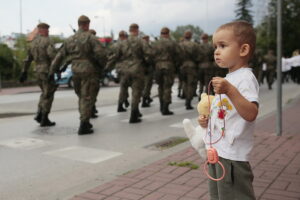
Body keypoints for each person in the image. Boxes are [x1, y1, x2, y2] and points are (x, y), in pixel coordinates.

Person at [198, 21, 259, 200]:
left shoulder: (245, 79)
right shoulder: (230, 77)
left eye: (223, 46)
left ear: (243, 50)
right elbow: (225, 114)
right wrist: (207, 122)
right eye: (215, 46)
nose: (216, 51)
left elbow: (251, 113)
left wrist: (230, 90)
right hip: (218, 152)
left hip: (232, 158)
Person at [50, 15, 107, 135]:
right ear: (87, 24)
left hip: (75, 69)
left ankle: (85, 120)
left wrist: (53, 70)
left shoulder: (70, 39)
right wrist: (102, 67)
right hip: (88, 70)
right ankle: (84, 124)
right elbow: (101, 54)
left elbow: (59, 56)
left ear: (78, 24)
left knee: (81, 96)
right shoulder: (91, 38)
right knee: (86, 97)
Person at [105, 23, 152, 123]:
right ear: (137, 30)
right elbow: (149, 54)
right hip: (137, 70)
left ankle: (123, 105)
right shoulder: (141, 42)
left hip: (124, 71)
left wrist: (107, 68)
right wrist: (148, 65)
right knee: (136, 93)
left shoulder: (122, 43)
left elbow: (114, 57)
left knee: (123, 88)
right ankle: (134, 114)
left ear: (130, 30)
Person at [19, 22, 57, 127]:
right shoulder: (48, 41)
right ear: (42, 30)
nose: (48, 31)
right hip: (47, 71)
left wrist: (24, 72)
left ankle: (39, 114)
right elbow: (52, 57)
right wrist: (54, 71)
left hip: (37, 71)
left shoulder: (33, 43)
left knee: (44, 93)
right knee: (48, 94)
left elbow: (27, 59)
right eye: (47, 29)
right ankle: (44, 118)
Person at [152, 27, 181, 115]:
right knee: (167, 87)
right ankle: (165, 107)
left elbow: (151, 54)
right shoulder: (172, 43)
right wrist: (175, 65)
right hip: (169, 65)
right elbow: (178, 54)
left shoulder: (155, 43)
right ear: (168, 33)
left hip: (158, 66)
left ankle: (161, 105)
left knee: (160, 86)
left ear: (161, 33)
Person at [106, 30, 130, 112]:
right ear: (124, 36)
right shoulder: (126, 45)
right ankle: (122, 104)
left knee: (124, 86)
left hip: (119, 69)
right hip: (127, 68)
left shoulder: (114, 45)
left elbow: (110, 57)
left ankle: (124, 101)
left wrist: (107, 68)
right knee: (125, 87)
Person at [179, 30, 199, 110]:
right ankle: (188, 101)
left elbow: (176, 55)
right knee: (191, 84)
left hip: (182, 66)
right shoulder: (194, 45)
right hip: (191, 66)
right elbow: (198, 56)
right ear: (191, 36)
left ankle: (185, 95)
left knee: (184, 83)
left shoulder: (180, 45)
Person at [141, 35, 154, 107]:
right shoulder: (146, 47)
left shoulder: (139, 46)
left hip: (141, 69)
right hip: (147, 68)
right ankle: (144, 100)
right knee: (147, 85)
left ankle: (147, 98)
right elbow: (148, 57)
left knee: (144, 85)